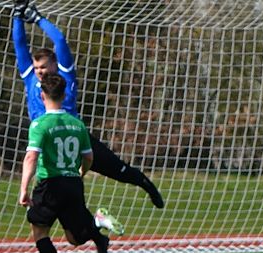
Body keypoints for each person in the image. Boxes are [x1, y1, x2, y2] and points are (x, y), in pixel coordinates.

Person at [11, 0, 165, 210]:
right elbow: (19, 44)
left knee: (118, 170)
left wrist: (38, 19)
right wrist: (17, 16)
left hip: (74, 134)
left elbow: (60, 39)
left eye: (44, 67)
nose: (39, 71)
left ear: (54, 64)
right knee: (49, 192)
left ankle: (146, 185)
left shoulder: (65, 74)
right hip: (47, 139)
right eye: (37, 67)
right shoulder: (30, 77)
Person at [19, 73, 113, 253]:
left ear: (42, 96)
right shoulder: (77, 124)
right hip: (73, 184)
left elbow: (31, 157)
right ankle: (97, 225)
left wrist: (24, 188)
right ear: (64, 96)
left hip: (50, 185)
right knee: (74, 239)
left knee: (40, 232)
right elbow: (88, 157)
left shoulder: (39, 124)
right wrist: (80, 172)